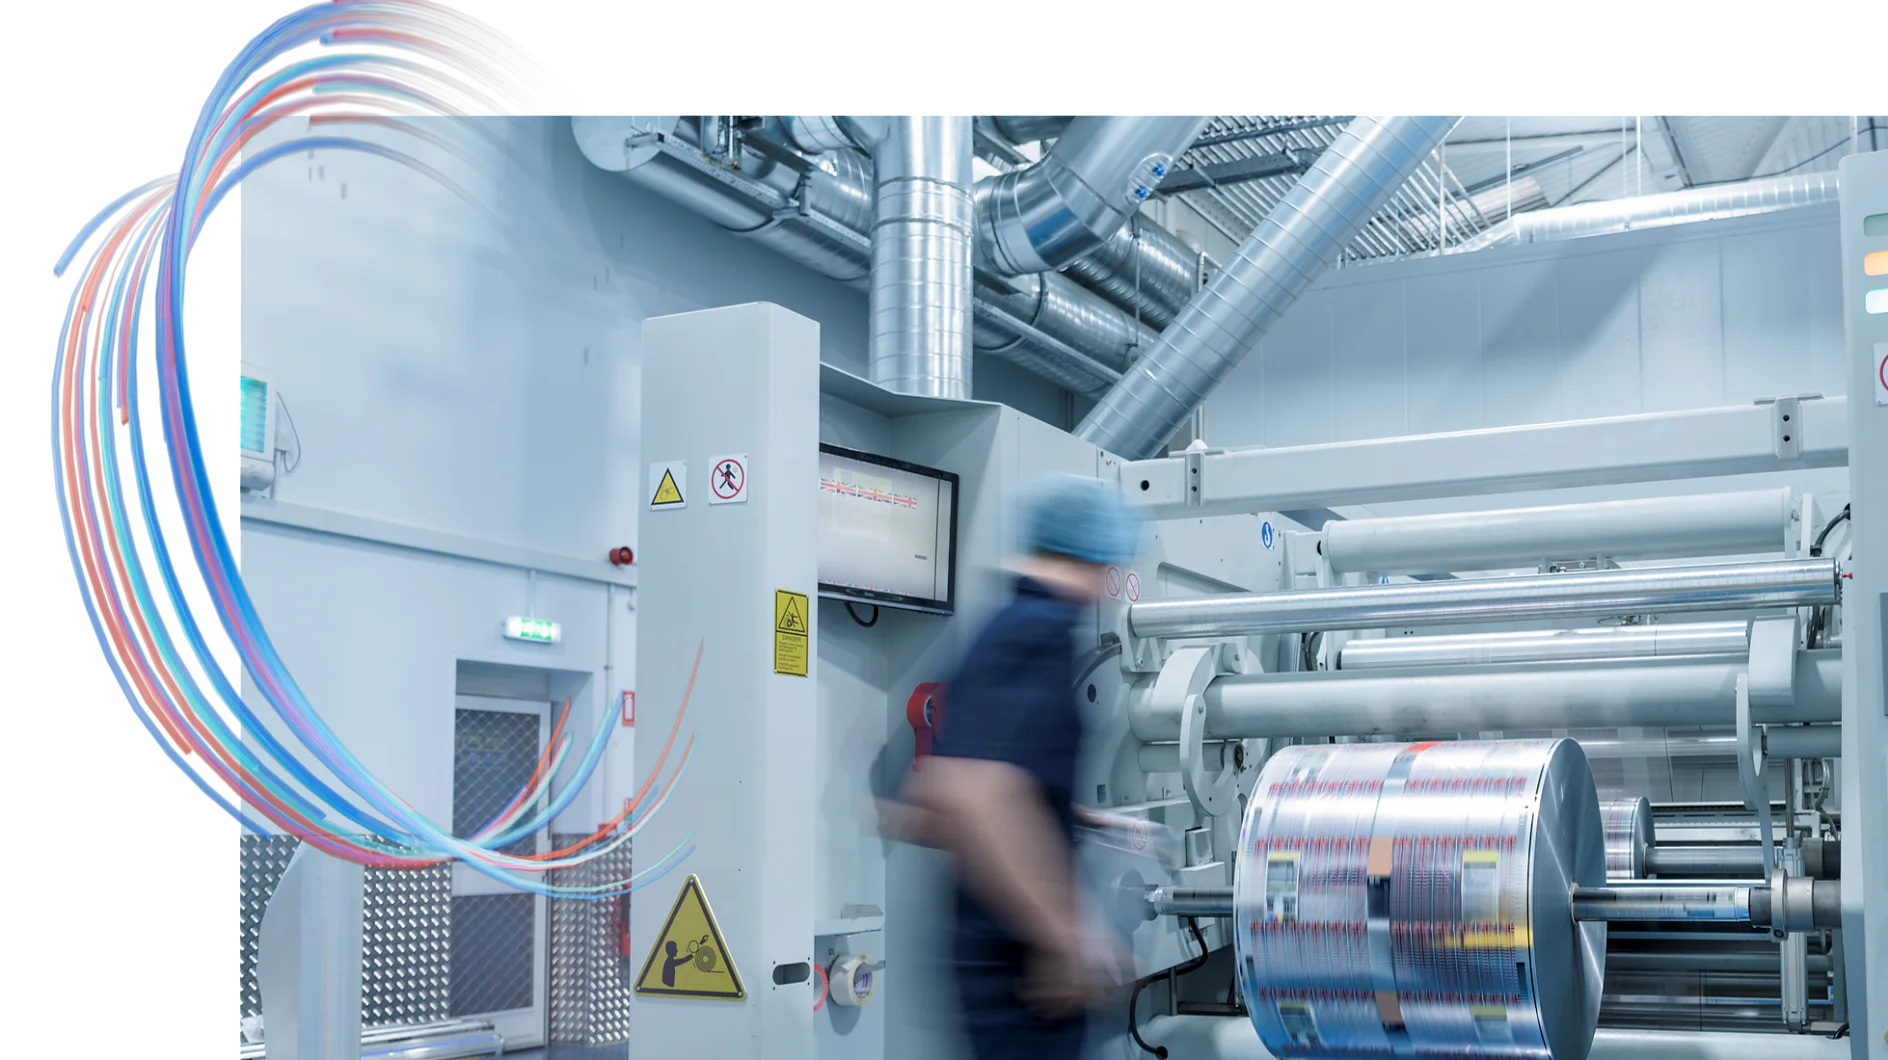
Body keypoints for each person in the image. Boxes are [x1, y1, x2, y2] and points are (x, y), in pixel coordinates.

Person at [896, 474, 1142, 1060]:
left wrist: (1071, 815)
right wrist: (1066, 938)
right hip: (1022, 974)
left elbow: (968, 784)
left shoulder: (1009, 625)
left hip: (1005, 959)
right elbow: (967, 793)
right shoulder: (1037, 631)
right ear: (1099, 557)